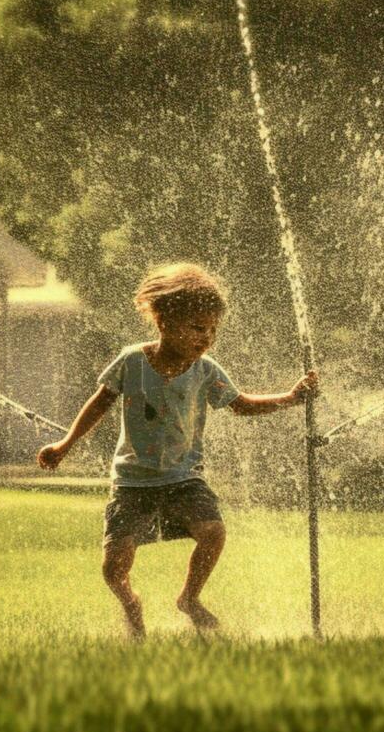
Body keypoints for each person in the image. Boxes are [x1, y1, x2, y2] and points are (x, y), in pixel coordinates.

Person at [37, 263, 318, 639]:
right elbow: (100, 403)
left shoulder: (205, 370)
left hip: (184, 478)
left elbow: (241, 404)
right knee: (113, 566)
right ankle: (130, 603)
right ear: (165, 321)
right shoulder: (132, 361)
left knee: (214, 532)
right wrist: (65, 444)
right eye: (197, 328)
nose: (207, 338)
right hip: (132, 481)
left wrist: (290, 397)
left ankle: (189, 597)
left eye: (213, 329)